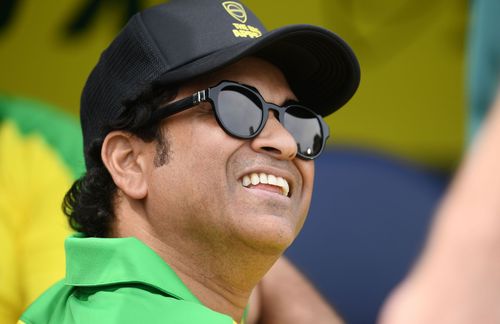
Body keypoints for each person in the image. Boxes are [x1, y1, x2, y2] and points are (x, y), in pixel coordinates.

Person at [18, 0, 360, 323]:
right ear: (129, 162)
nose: (285, 142)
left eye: (298, 120)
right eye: (236, 106)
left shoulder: (68, 307)